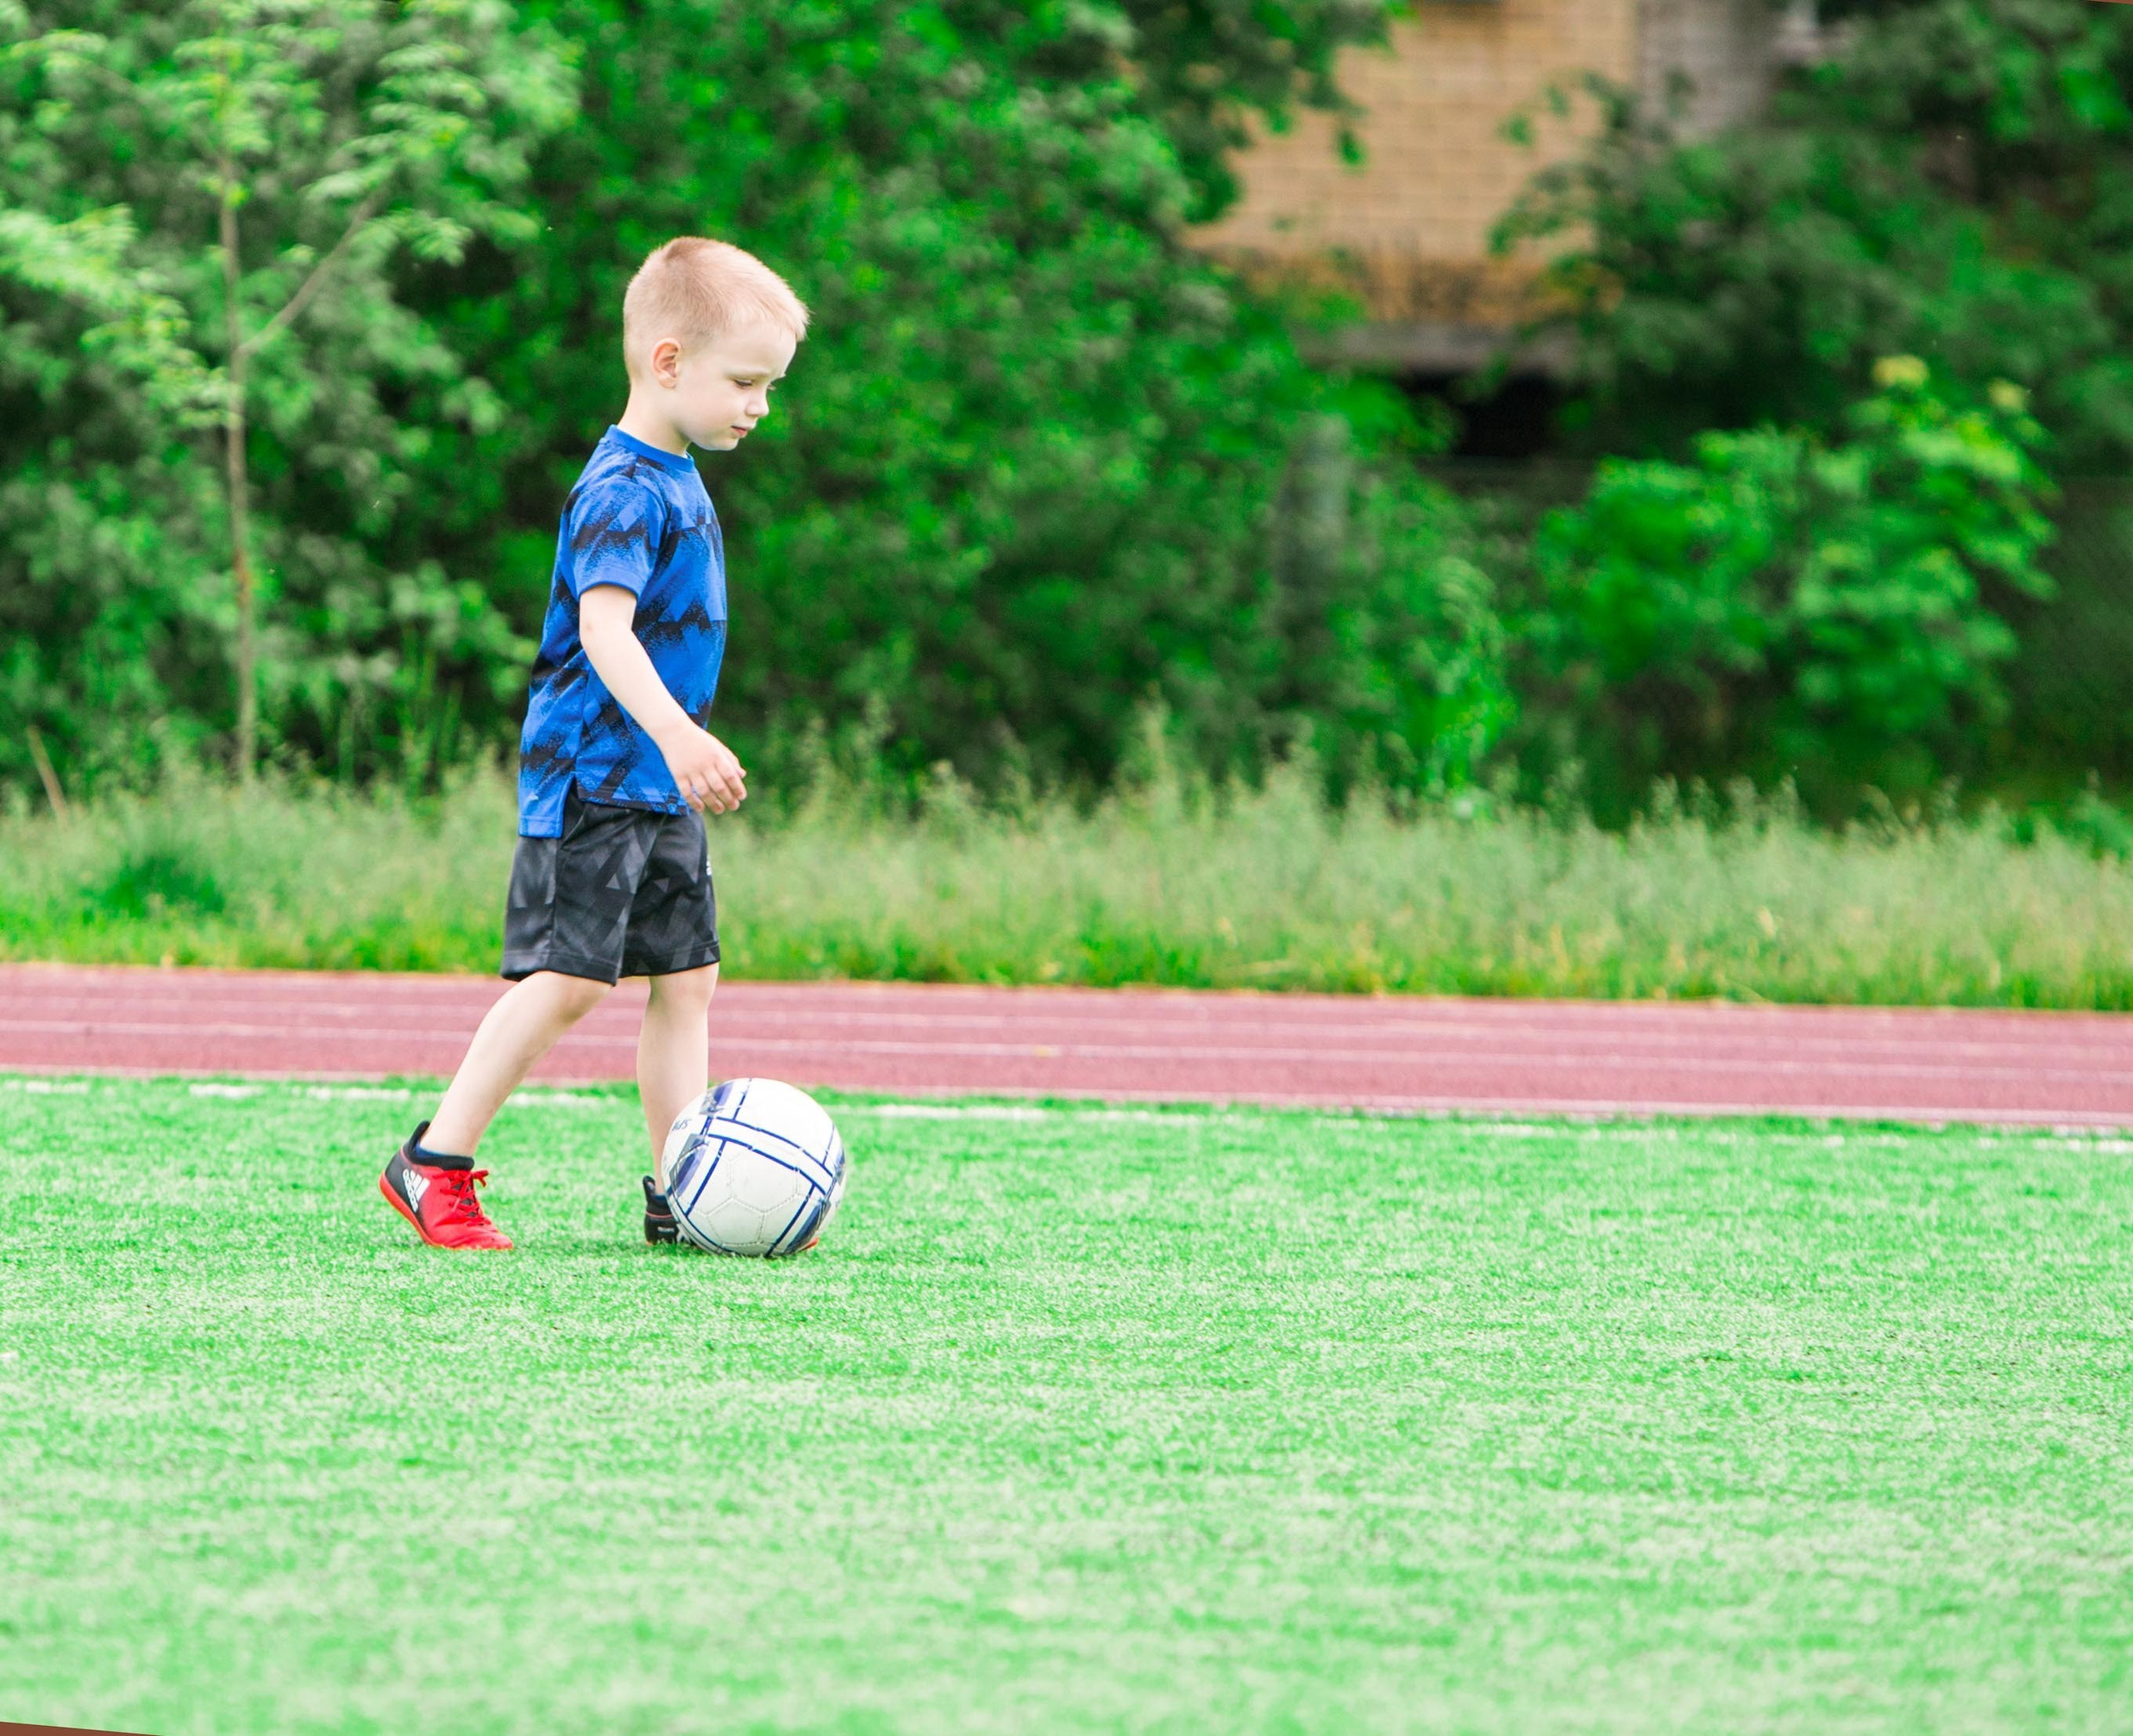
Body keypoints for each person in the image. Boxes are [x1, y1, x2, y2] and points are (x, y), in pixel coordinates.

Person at [379, 237, 807, 1251]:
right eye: (744, 381)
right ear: (667, 363)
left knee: (685, 976)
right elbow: (603, 632)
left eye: (769, 386)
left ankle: (681, 1186)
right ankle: (432, 1161)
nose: (759, 405)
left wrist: (674, 752)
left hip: (655, 781)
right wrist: (678, 735)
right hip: (595, 775)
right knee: (569, 978)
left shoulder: (682, 475)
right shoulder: (622, 486)